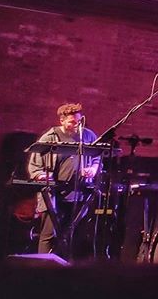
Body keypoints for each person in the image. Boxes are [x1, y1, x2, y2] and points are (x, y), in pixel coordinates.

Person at [27, 103, 100, 255]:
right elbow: (35, 166)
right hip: (53, 194)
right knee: (49, 235)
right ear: (62, 121)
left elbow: (97, 158)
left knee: (75, 235)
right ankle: (44, 269)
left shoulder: (88, 136)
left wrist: (92, 169)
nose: (76, 125)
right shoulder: (49, 137)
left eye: (79, 121)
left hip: (79, 194)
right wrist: (42, 176)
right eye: (72, 122)